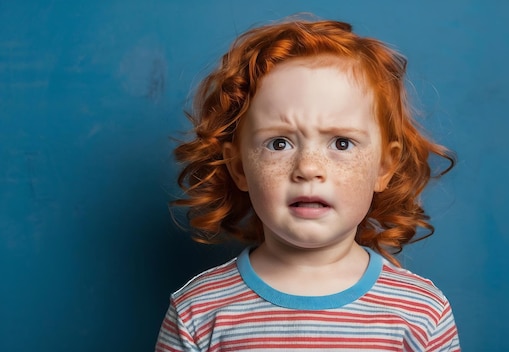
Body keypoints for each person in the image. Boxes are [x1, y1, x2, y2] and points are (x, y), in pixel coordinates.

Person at [156, 17, 460, 352]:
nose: (308, 169)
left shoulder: (421, 314)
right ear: (239, 167)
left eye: (342, 143)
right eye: (279, 143)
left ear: (383, 168)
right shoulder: (197, 312)